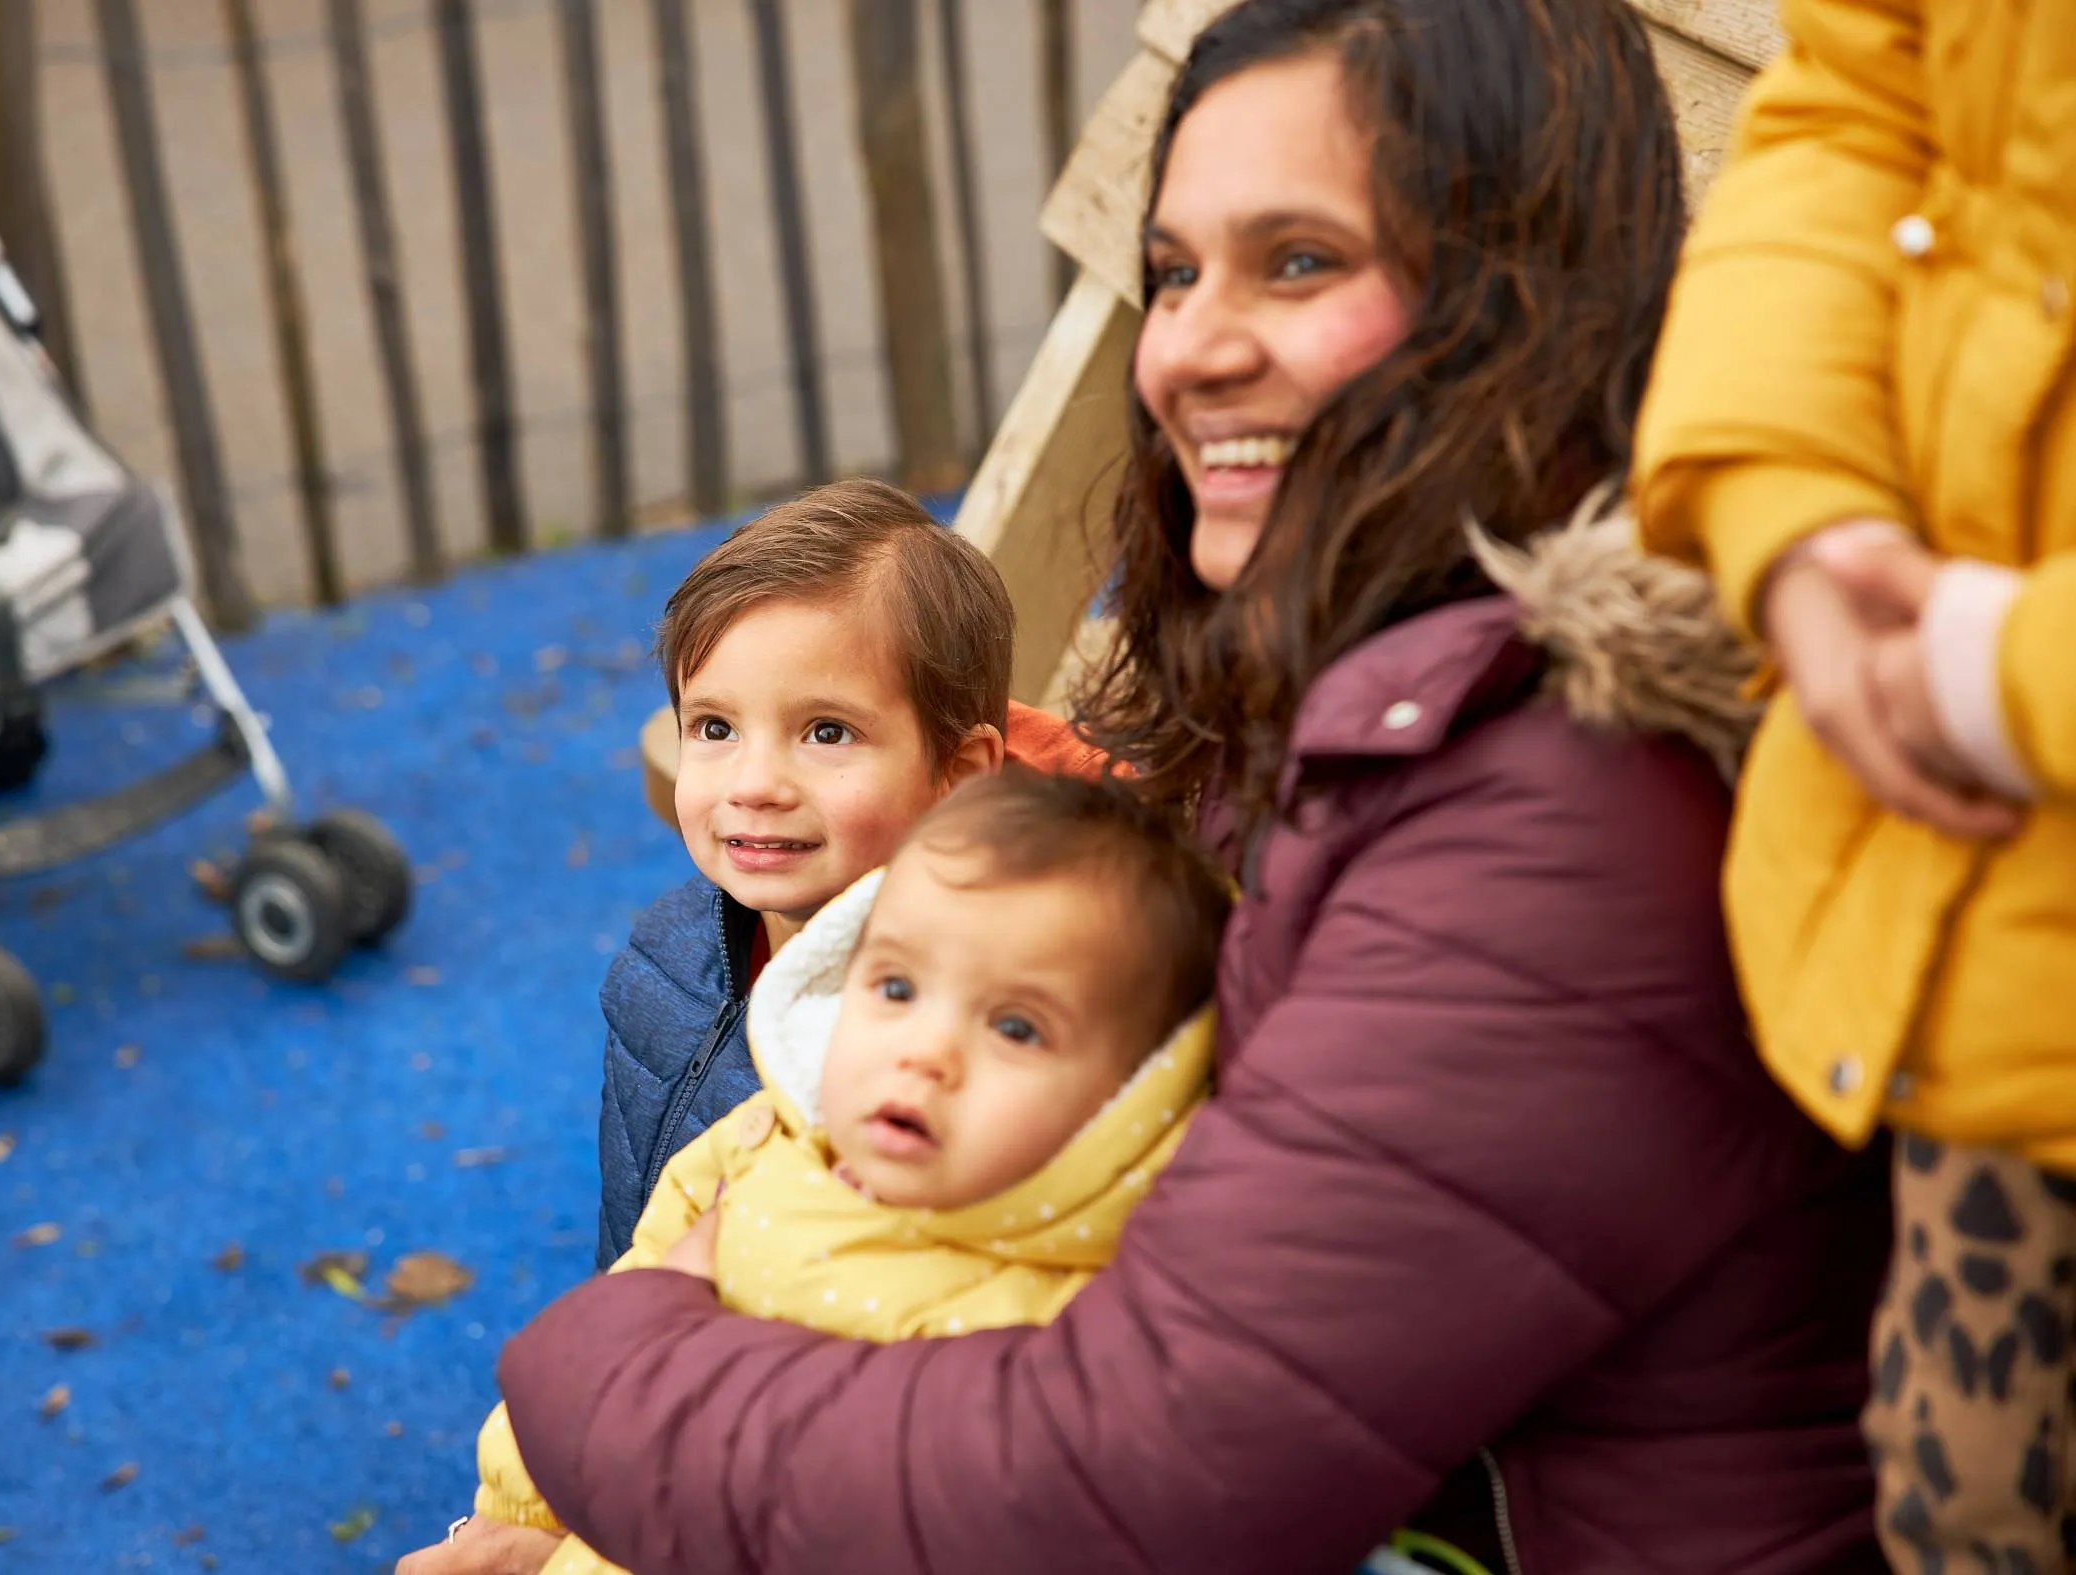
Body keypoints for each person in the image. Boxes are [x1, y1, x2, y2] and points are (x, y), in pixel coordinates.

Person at [485, 1, 1895, 1571]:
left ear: (1516, 295)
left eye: (1297, 261)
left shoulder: (1570, 822)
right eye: (1172, 270)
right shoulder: (1334, 697)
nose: (1188, 346)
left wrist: (602, 1365)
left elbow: (1126, 1476)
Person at [1632, 1, 2076, 1566]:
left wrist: (2008, 672)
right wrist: (1784, 503)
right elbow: (1849, 102)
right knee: (1959, 1495)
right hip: (1985, 970)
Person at [428, 769, 1229, 1575]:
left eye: (1017, 1026)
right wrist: (519, 1515)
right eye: (896, 986)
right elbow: (612, 1342)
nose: (924, 1052)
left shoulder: (1068, 1327)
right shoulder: (754, 1147)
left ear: (1131, 1100)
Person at [588, 479, 1104, 1277]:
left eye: (826, 732)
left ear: (962, 777)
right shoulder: (673, 951)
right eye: (715, 727)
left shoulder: (962, 1048)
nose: (754, 782)